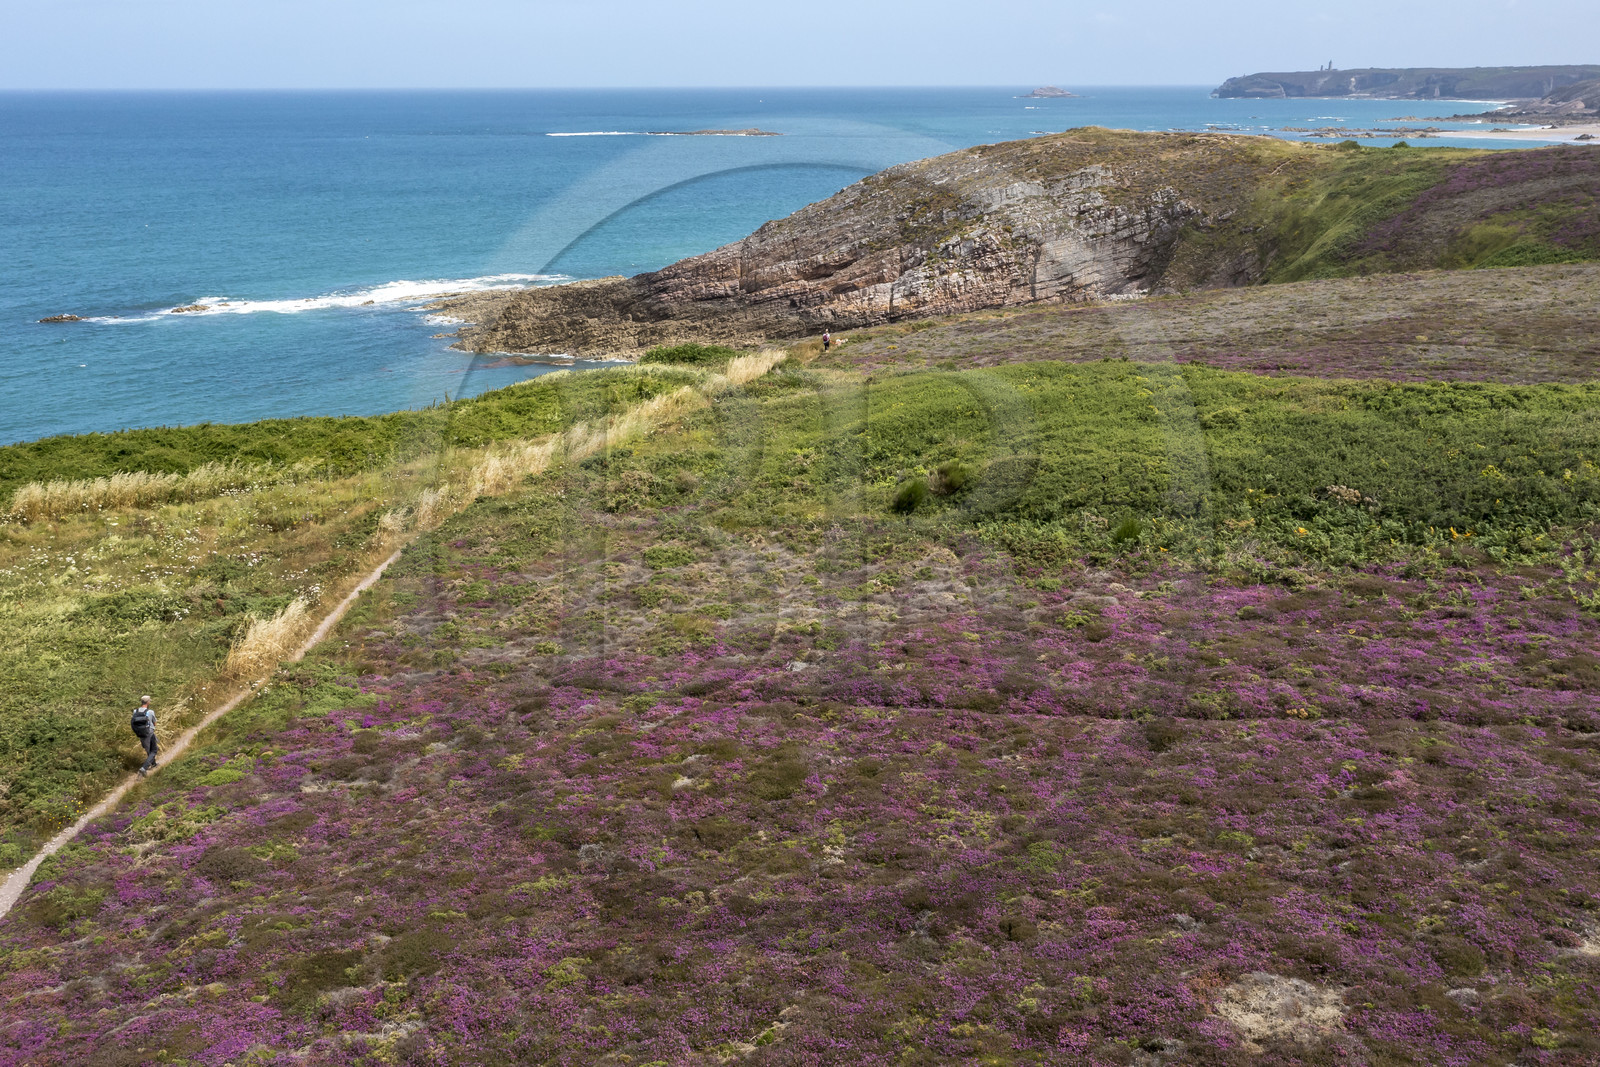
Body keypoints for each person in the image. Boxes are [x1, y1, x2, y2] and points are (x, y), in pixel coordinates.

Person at [131, 695, 158, 776]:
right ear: (148, 702)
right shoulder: (150, 712)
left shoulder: (135, 711)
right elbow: (154, 723)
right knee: (154, 750)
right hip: (149, 733)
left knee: (148, 750)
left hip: (140, 733)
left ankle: (153, 764)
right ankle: (144, 768)